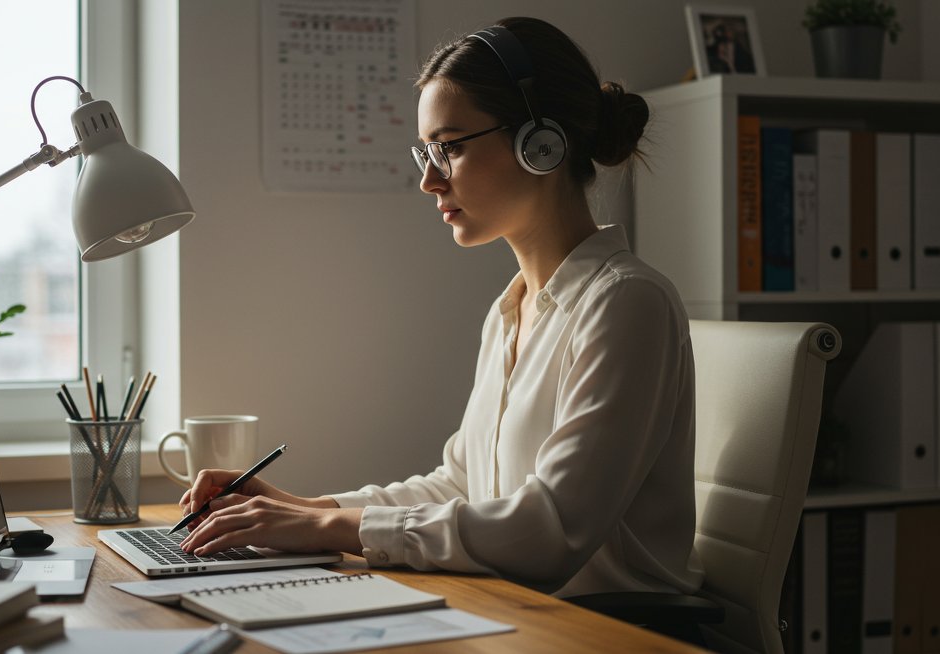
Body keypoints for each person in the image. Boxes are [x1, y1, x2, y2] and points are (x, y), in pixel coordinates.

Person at [179, 16, 704, 599]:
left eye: (449, 148)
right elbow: (460, 485)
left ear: (541, 144)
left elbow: (550, 529)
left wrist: (325, 527)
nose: (430, 180)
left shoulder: (628, 303)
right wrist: (302, 509)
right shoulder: (511, 311)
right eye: (425, 153)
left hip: (606, 631)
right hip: (513, 614)